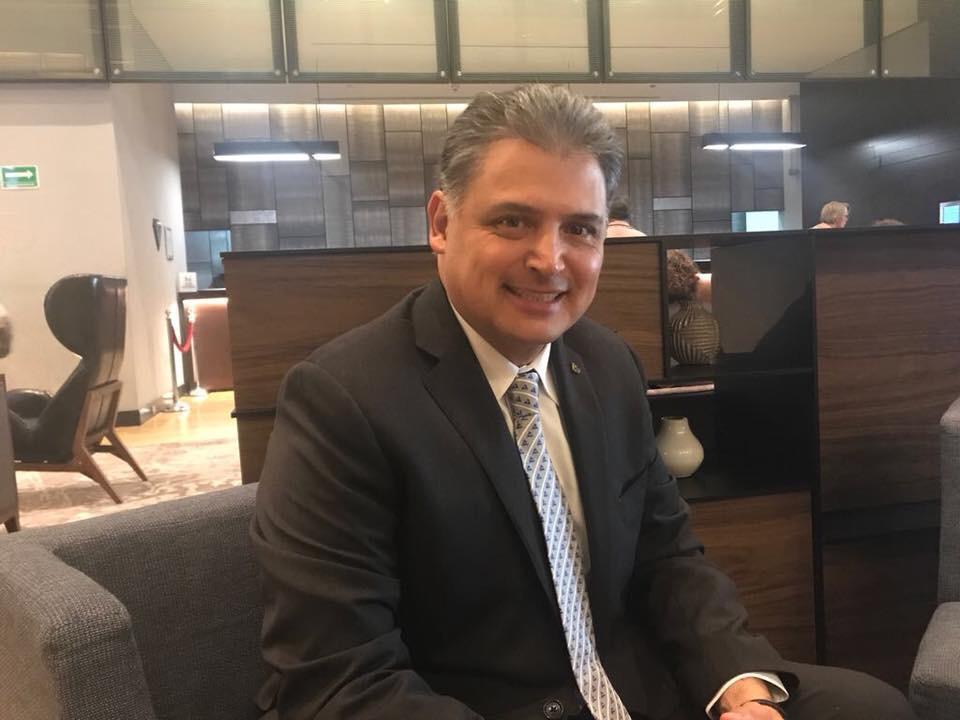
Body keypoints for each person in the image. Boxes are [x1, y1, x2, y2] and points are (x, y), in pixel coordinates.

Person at [252, 85, 916, 720]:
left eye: (579, 229)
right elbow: (341, 679)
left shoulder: (608, 365)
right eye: (513, 221)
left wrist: (738, 682)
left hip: (632, 691)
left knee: (872, 708)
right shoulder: (342, 400)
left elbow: (666, 555)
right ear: (442, 223)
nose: (551, 260)